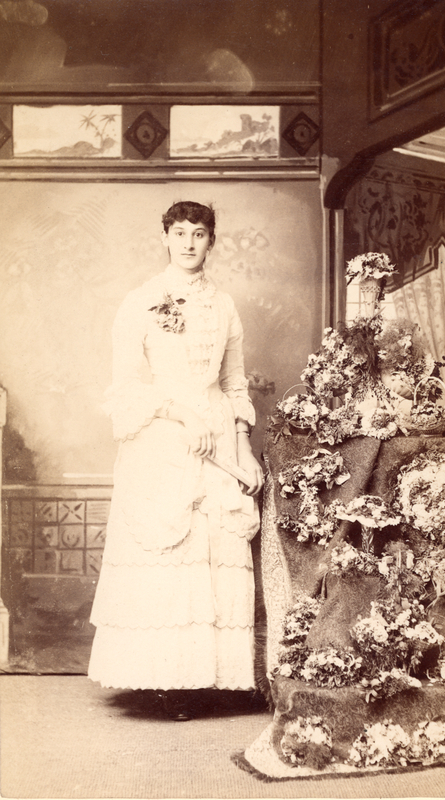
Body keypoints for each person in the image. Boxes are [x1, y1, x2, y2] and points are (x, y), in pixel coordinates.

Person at [88, 201, 264, 719]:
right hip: (162, 433)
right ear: (164, 237)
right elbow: (125, 387)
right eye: (180, 233)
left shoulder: (225, 305)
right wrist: (179, 416)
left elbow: (234, 382)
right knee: (170, 552)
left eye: (201, 234)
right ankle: (163, 680)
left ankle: (207, 678)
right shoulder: (140, 301)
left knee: (214, 550)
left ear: (212, 242)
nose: (190, 242)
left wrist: (243, 448)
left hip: (218, 436)